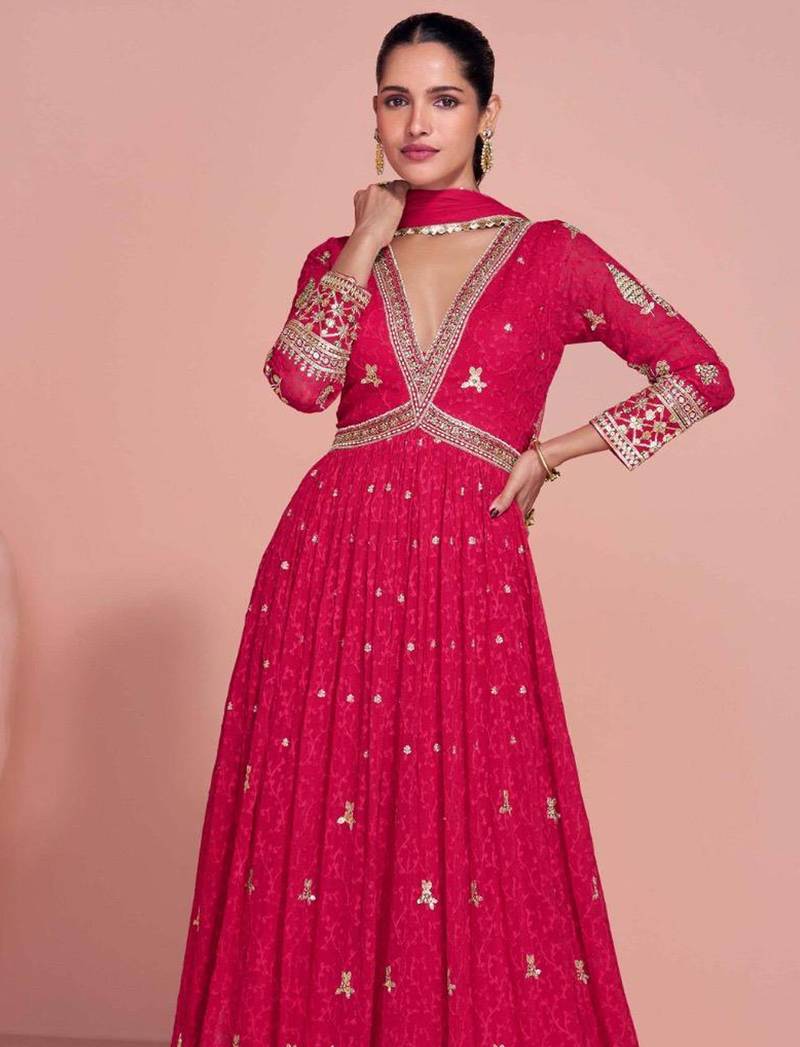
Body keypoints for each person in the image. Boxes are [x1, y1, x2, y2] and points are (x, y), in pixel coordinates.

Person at [169, 13, 734, 1047]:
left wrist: (550, 454)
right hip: (329, 570)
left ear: (487, 113)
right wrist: (362, 241)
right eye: (397, 99)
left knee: (470, 827)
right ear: (373, 114)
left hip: (470, 568)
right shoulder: (335, 256)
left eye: (443, 99)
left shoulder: (552, 253)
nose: (417, 123)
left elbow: (700, 375)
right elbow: (300, 385)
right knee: (322, 827)